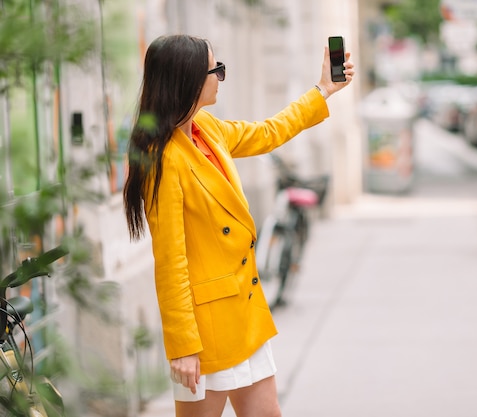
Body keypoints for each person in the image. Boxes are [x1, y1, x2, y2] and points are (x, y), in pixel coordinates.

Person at [122, 34, 354, 417]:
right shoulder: (162, 160)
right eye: (217, 69)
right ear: (189, 80)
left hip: (243, 312)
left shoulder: (206, 130)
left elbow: (267, 132)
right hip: (206, 330)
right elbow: (171, 261)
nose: (220, 77)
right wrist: (182, 346)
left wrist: (323, 90)